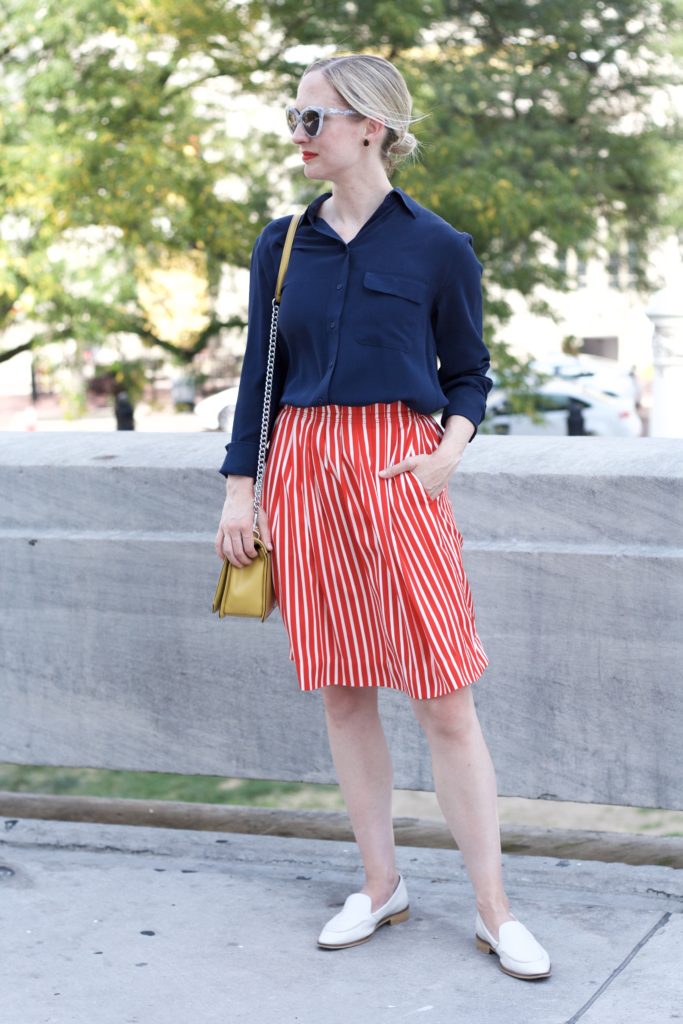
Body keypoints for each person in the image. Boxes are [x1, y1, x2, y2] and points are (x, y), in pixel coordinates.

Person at [215, 53, 551, 981]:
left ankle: (494, 911)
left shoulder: (438, 247)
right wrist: (240, 488)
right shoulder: (282, 243)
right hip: (306, 474)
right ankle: (380, 884)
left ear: (370, 124)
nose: (298, 133)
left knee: (445, 697)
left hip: (402, 474)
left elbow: (469, 374)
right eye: (295, 116)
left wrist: (449, 449)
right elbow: (259, 379)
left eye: (312, 117)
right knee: (343, 690)